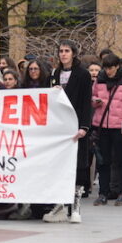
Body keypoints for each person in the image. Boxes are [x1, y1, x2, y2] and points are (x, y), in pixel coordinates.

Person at [44, 40, 92, 224]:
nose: (63, 54)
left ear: (74, 53)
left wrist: (84, 127)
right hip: (59, 126)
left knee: (78, 166)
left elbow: (86, 102)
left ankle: (76, 206)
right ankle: (60, 205)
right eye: (61, 51)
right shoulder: (54, 74)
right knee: (60, 165)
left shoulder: (83, 74)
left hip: (76, 124)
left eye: (66, 51)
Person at [91, 54, 122, 206]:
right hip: (102, 125)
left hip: (120, 126)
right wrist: (95, 101)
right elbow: (92, 97)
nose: (108, 71)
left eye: (111, 68)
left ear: (117, 66)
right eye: (106, 68)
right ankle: (103, 193)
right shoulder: (99, 80)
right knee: (103, 161)